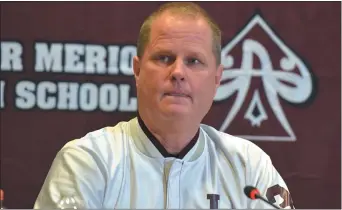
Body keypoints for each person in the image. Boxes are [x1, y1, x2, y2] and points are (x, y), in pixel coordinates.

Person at [34, 2, 294, 209]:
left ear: (217, 79)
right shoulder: (88, 162)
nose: (178, 72)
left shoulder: (250, 166)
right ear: (137, 70)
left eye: (193, 61)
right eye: (164, 58)